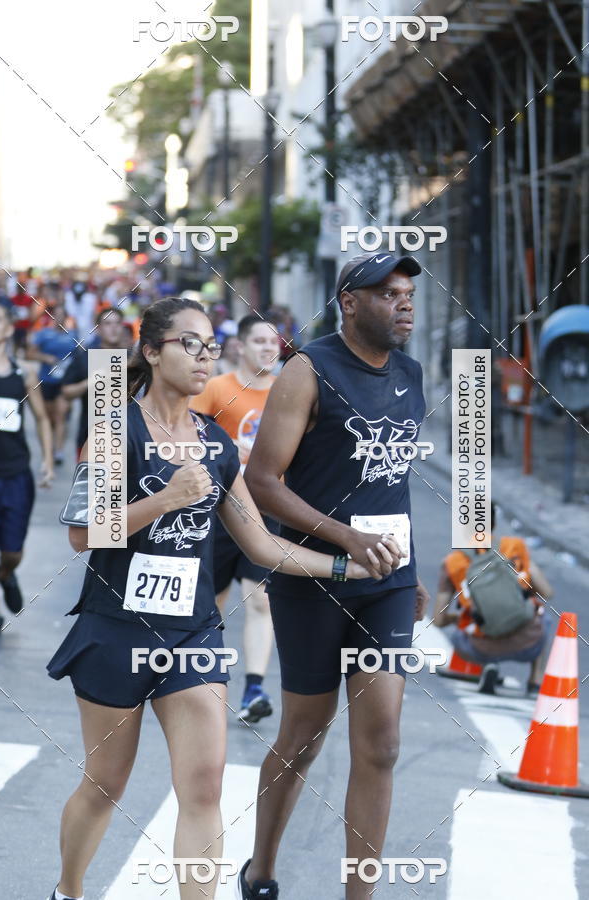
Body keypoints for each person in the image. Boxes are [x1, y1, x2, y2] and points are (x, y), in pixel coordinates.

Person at [46, 296, 399, 900]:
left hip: (192, 634)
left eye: (211, 346)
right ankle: (69, 890)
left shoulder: (214, 443)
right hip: (115, 630)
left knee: (204, 788)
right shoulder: (115, 430)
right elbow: (83, 534)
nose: (204, 357)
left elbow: (261, 546)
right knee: (105, 784)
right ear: (151, 351)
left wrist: (347, 567)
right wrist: (164, 498)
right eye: (189, 344)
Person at [240, 253, 431, 900]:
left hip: (387, 583)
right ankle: (261, 867)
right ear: (350, 302)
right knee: (304, 734)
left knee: (381, 743)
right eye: (387, 294)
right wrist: (347, 538)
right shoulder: (308, 369)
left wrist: (414, 569)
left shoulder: (412, 372)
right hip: (316, 576)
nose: (403, 303)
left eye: (407, 293)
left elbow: (392, 484)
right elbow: (263, 482)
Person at [192, 314, 280, 722]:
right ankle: (199, 682)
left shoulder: (288, 392)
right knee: (212, 602)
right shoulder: (216, 389)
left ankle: (255, 689)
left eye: (274, 341)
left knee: (260, 598)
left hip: (267, 510)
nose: (268, 347)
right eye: (259, 341)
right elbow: (183, 436)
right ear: (240, 347)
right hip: (219, 508)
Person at [433, 503, 554, 695]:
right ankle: (535, 681)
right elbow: (546, 592)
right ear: (494, 523)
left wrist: (458, 618)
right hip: (528, 643)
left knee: (467, 622)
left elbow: (438, 620)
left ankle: (488, 665)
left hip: (477, 649)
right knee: (541, 613)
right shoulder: (515, 547)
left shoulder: (452, 563)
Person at [0, 301, 53, 635]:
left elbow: (42, 418)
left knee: (11, 550)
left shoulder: (23, 373)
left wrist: (46, 460)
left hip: (16, 473)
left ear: (9, 329)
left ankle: (6, 573)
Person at [61, 308, 126, 459]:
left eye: (117, 323)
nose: (113, 328)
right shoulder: (85, 356)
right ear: (98, 329)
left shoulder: (133, 359)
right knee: (89, 483)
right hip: (89, 438)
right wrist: (90, 382)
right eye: (108, 324)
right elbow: (66, 392)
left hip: (126, 440)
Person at [27, 304, 79, 465]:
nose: (59, 318)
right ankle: (48, 449)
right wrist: (46, 358)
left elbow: (79, 358)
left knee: (60, 416)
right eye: (56, 315)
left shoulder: (73, 336)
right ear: (52, 318)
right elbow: (30, 353)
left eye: (62, 315)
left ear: (66, 318)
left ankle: (59, 451)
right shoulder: (44, 334)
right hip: (47, 381)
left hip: (64, 383)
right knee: (48, 419)